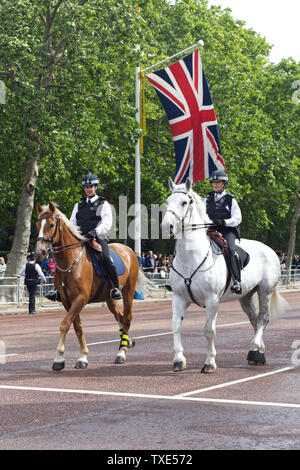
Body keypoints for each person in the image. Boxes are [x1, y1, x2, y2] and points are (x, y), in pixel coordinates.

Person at [206, 169, 242, 294]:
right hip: (211, 229)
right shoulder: (207, 200)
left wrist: (225, 222)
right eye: (214, 182)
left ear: (223, 184)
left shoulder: (231, 200)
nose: (215, 184)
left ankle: (237, 281)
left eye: (218, 182)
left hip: (227, 230)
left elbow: (238, 218)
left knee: (231, 250)